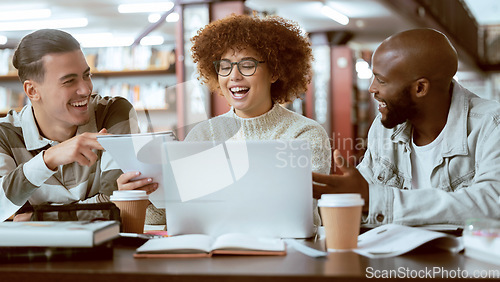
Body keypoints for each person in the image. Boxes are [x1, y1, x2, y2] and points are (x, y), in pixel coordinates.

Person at [312, 28, 500, 226]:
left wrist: (375, 199)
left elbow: (492, 203)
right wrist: (340, 197)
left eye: (381, 80)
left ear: (420, 88)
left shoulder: (491, 125)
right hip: (396, 253)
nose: (372, 88)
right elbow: (364, 194)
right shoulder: (384, 128)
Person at [170, 14, 331, 226]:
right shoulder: (203, 135)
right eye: (225, 67)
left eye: (247, 65)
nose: (234, 76)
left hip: (289, 251)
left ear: (274, 71)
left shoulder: (304, 134)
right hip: (216, 251)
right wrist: (148, 195)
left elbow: (294, 211)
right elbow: (178, 214)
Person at [0, 29, 146, 222]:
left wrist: (38, 217)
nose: (86, 89)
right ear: (32, 90)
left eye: (87, 75)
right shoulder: (5, 134)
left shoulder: (114, 113)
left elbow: (118, 206)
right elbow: (3, 210)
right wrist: (48, 159)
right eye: (69, 81)